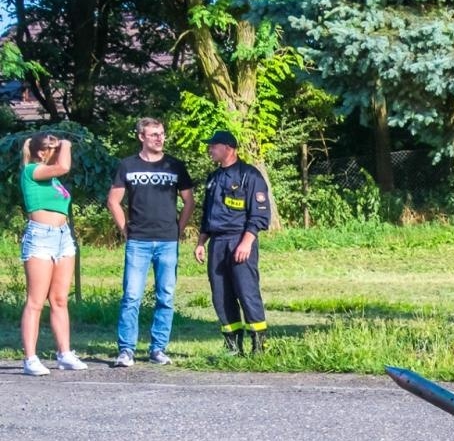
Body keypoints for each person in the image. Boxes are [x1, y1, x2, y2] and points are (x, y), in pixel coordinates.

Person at [107, 117, 193, 366]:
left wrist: (178, 229)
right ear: (141, 137)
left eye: (162, 133)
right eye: (154, 134)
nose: (159, 138)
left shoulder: (175, 165)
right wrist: (125, 229)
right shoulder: (127, 165)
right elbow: (113, 201)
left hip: (168, 241)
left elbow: (189, 201)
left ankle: (158, 348)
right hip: (139, 242)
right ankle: (126, 350)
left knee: (165, 296)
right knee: (131, 296)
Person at [16, 132, 88, 376]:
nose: (59, 152)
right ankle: (30, 358)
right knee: (36, 301)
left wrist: (61, 147)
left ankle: (64, 353)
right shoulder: (32, 171)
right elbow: (64, 166)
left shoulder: (52, 179)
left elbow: (60, 168)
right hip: (40, 237)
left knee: (59, 299)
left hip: (62, 236)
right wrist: (66, 143)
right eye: (54, 149)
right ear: (41, 152)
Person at [194, 130, 270, 354]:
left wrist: (246, 243)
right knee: (221, 295)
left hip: (240, 240)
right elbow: (207, 215)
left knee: (246, 292)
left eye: (214, 145)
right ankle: (232, 347)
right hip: (217, 243)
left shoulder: (250, 176)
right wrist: (200, 242)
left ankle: (260, 346)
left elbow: (260, 215)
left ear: (229, 148)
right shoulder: (213, 178)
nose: (210, 149)